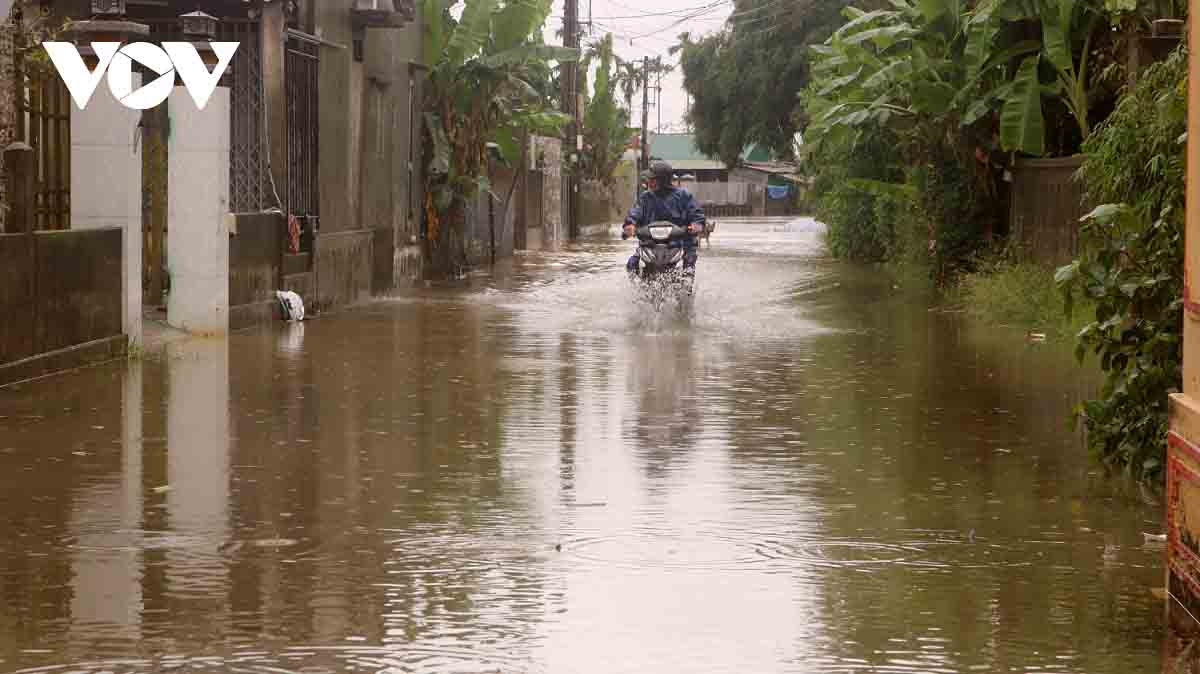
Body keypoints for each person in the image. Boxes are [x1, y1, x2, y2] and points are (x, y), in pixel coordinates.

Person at [622, 161, 706, 277]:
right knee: (632, 264)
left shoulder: (683, 196)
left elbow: (697, 214)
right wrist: (630, 224)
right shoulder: (645, 198)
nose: (649, 182)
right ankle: (637, 291)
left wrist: (696, 225)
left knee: (688, 265)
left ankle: (686, 290)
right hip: (650, 244)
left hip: (680, 244)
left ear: (662, 180)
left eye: (652, 179)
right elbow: (635, 212)